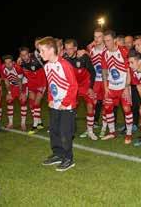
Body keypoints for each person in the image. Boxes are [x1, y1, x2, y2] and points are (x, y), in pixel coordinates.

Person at [39, 36, 78, 172]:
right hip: (55, 105)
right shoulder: (47, 66)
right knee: (54, 131)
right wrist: (50, 98)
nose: (40, 53)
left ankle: (68, 158)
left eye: (42, 50)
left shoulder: (65, 65)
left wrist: (65, 102)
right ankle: (58, 154)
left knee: (64, 132)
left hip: (67, 106)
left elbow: (73, 86)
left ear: (51, 50)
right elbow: (51, 84)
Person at [101, 30, 133, 144]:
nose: (106, 43)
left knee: (127, 109)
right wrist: (106, 87)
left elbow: (129, 71)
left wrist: (126, 88)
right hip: (111, 87)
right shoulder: (104, 54)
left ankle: (129, 134)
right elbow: (104, 72)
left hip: (123, 86)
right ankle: (112, 132)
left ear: (115, 40)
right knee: (108, 109)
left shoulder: (124, 51)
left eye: (108, 40)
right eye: (105, 41)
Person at [63, 38, 97, 140]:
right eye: (66, 49)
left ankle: (90, 131)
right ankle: (71, 130)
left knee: (90, 106)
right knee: (71, 108)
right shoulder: (64, 59)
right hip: (74, 86)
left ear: (75, 48)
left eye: (70, 49)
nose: (68, 51)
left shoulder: (83, 57)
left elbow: (93, 72)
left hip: (85, 85)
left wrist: (91, 87)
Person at [19, 47, 47, 134]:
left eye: (26, 54)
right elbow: (21, 76)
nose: (24, 57)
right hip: (31, 85)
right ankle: (40, 122)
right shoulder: (21, 64)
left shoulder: (36, 60)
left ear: (29, 54)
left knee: (36, 103)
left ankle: (34, 126)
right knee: (31, 105)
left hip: (41, 84)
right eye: (22, 55)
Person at [1, 55, 28, 131]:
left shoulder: (18, 68)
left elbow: (20, 81)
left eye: (9, 62)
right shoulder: (2, 68)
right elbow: (6, 82)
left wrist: (21, 93)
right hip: (12, 85)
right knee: (9, 100)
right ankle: (10, 123)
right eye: (6, 63)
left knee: (23, 101)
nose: (8, 65)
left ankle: (23, 123)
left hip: (23, 84)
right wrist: (9, 93)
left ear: (13, 62)